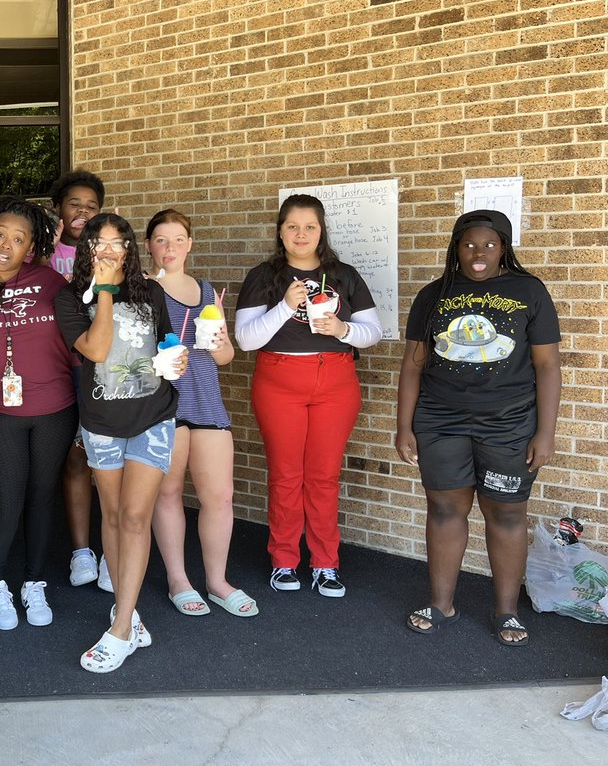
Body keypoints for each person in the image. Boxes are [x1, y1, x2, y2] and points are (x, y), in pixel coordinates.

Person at [397, 210, 560, 646]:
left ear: (504, 247)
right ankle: (441, 604)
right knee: (446, 510)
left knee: (507, 513)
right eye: (469, 244)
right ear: (456, 248)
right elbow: (413, 366)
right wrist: (404, 426)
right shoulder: (434, 295)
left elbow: (547, 366)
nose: (478, 253)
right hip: (440, 420)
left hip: (510, 423)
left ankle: (507, 611)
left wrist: (546, 432)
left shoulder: (529, 291)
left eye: (489, 244)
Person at [55, 213, 185, 673]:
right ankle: (127, 613)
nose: (109, 250)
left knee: (134, 517)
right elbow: (94, 348)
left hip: (153, 416)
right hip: (101, 421)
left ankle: (123, 626)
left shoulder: (150, 291)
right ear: (86, 249)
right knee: (111, 516)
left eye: (118, 243)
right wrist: (105, 292)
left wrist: (175, 355)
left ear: (129, 250)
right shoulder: (69, 298)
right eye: (99, 243)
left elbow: (166, 336)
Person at [235, 194, 383, 598]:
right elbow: (246, 340)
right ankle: (284, 559)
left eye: (309, 227)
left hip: (335, 381)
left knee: (323, 476)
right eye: (292, 226)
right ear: (280, 231)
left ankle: (325, 563)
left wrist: (342, 330)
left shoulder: (344, 275)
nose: (301, 234)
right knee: (285, 475)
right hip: (279, 380)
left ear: (322, 231)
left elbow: (373, 332)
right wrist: (284, 306)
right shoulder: (264, 276)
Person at [0, 198, 79, 630]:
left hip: (55, 408)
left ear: (32, 246)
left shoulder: (53, 283)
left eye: (18, 238)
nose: (6, 244)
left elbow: (80, 347)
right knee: (5, 500)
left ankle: (34, 582)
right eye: (0, 234)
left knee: (42, 497)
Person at [145, 209, 256, 618]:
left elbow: (224, 357)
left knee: (219, 497)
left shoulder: (208, 291)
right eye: (160, 239)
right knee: (168, 494)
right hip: (163, 405)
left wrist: (220, 340)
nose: (169, 247)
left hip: (207, 401)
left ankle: (217, 581)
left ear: (190, 244)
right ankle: (178, 579)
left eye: (177, 239)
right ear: (149, 246)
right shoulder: (142, 290)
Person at [47, 170, 111, 591]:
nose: (82, 211)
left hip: (101, 369)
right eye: (75, 204)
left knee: (107, 463)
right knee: (74, 458)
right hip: (57, 369)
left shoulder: (110, 254)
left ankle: (112, 553)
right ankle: (81, 552)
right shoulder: (42, 256)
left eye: (91, 206)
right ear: (59, 209)